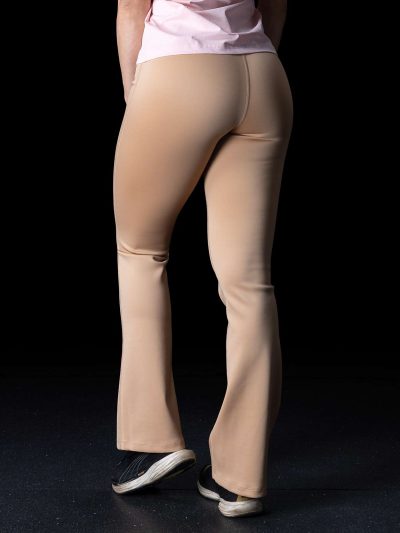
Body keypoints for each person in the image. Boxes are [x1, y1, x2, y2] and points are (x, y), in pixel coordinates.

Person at [111, 0, 293, 518]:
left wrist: (137, 93)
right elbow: (275, 7)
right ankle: (241, 478)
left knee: (141, 251)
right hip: (263, 76)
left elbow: (132, 10)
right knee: (249, 284)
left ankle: (153, 441)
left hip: (178, 70)